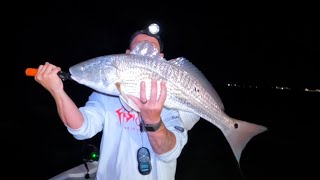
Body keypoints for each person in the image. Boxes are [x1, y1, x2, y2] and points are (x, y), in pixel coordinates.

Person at [34, 23, 200, 180]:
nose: (144, 53)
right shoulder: (108, 94)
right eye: (139, 48)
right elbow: (82, 128)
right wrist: (57, 91)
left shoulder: (172, 99)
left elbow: (168, 153)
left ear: (160, 58)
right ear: (127, 55)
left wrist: (153, 120)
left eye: (151, 50)